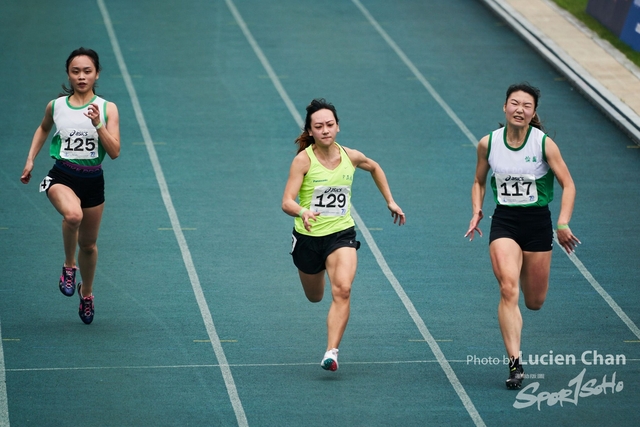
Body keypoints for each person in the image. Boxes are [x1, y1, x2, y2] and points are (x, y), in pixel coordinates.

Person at [464, 83, 580, 389]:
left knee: (534, 301)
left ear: (533, 112)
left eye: (526, 106)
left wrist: (563, 223)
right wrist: (477, 209)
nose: (519, 109)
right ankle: (515, 363)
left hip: (537, 223)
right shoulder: (488, 144)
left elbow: (569, 185)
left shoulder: (543, 145)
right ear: (504, 107)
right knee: (507, 288)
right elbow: (478, 180)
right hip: (505, 221)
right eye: (514, 103)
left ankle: (519, 338)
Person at [282, 98, 405, 371]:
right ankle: (318, 272)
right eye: (319, 126)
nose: (325, 130)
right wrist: (302, 212)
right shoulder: (303, 161)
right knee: (315, 297)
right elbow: (286, 201)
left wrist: (390, 200)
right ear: (310, 131)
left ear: (338, 127)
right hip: (308, 237)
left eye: (330, 124)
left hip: (341, 234)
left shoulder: (351, 156)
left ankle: (331, 352)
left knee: (343, 290)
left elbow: (374, 167)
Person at [20, 47, 120, 325]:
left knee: (89, 245)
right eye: (76, 71)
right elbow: (43, 128)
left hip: (93, 180)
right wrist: (30, 160)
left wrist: (98, 124)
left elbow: (114, 151)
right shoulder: (56, 105)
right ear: (69, 74)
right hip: (62, 175)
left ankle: (86, 293)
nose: (81, 76)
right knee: (73, 215)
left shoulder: (107, 108)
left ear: (96, 73)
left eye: (87, 71)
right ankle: (68, 266)